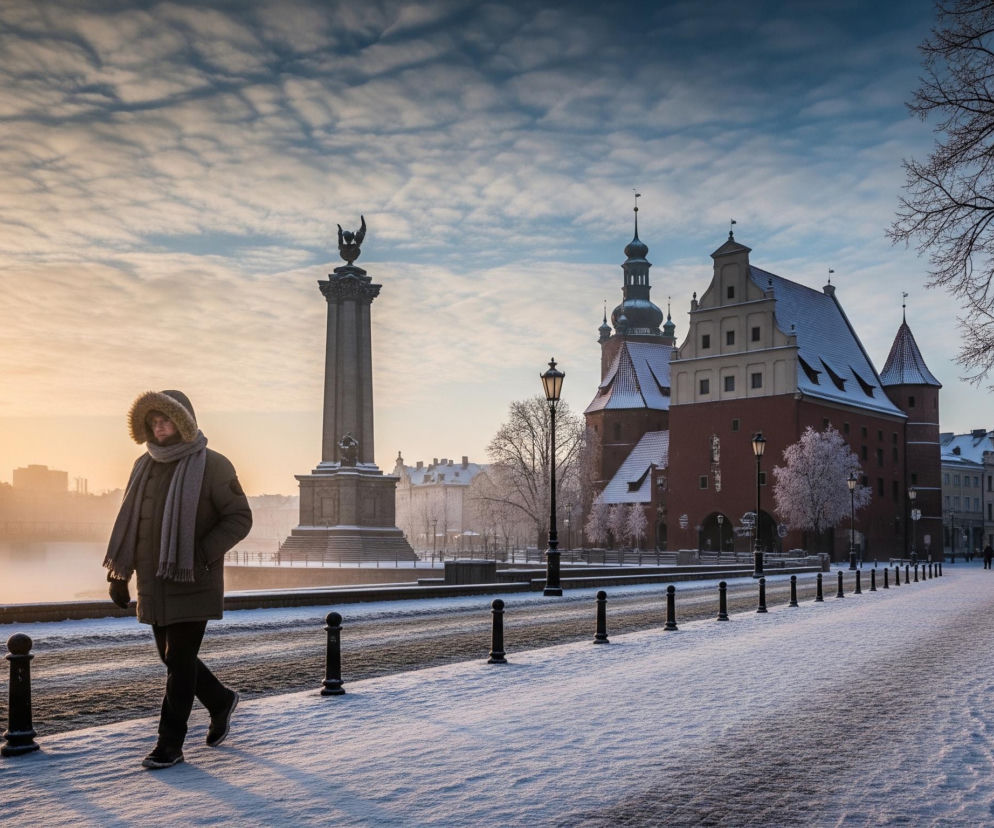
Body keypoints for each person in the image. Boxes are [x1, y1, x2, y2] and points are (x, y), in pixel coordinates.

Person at [104, 390, 252, 769]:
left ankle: (169, 744)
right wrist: (119, 575)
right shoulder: (144, 465)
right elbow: (134, 526)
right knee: (171, 660)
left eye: (166, 419)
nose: (159, 426)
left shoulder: (213, 465)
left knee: (180, 660)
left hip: (192, 578)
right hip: (153, 582)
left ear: (184, 421)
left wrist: (200, 554)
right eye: (153, 421)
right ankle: (220, 701)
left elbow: (239, 518)